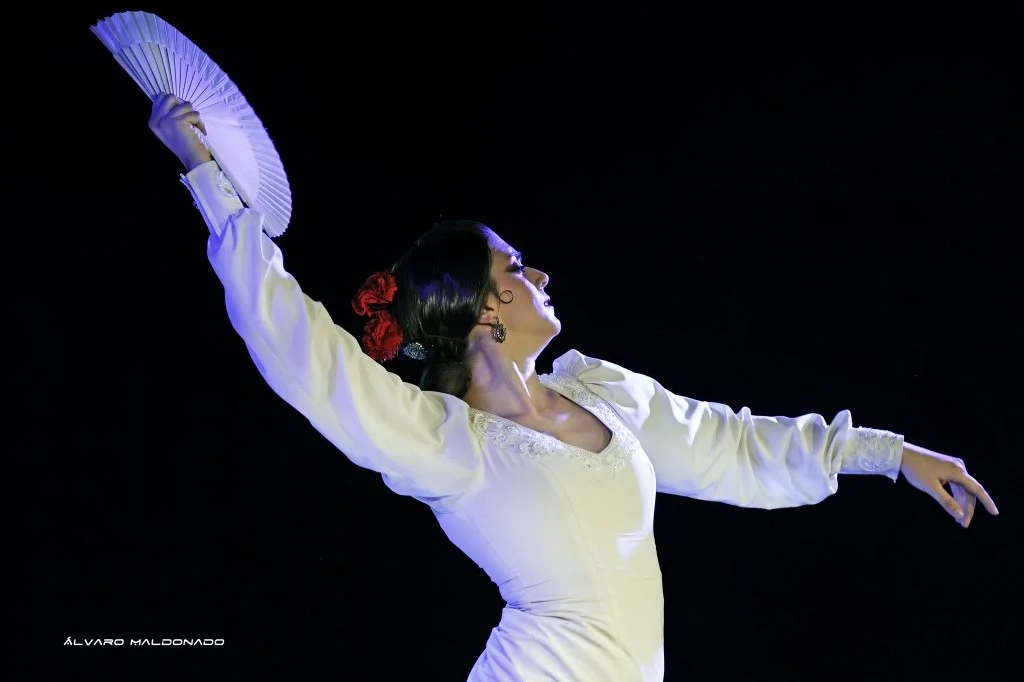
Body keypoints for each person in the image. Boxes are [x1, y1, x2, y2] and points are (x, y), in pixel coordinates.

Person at [146, 94, 998, 681]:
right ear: (485, 310)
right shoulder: (447, 442)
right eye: (517, 266)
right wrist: (209, 177)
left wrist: (887, 455)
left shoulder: (603, 395)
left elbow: (731, 444)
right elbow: (303, 354)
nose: (541, 273)